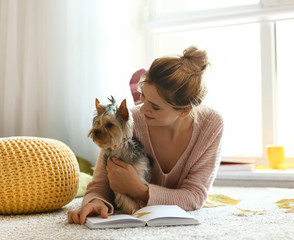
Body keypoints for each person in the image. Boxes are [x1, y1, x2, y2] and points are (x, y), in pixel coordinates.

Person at [68, 46, 224, 225]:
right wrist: (96, 201)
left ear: (184, 111)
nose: (142, 109)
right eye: (143, 96)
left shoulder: (211, 125)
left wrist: (139, 190)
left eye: (155, 107)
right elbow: (101, 182)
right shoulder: (129, 121)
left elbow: (195, 196)